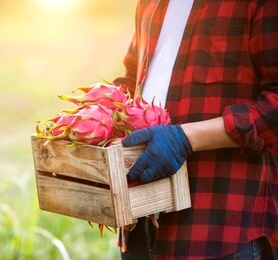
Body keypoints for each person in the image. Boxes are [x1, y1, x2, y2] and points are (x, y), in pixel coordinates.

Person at [112, 0, 278, 259]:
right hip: (139, 218)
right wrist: (97, 112)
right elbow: (133, 76)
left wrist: (186, 138)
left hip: (217, 226)